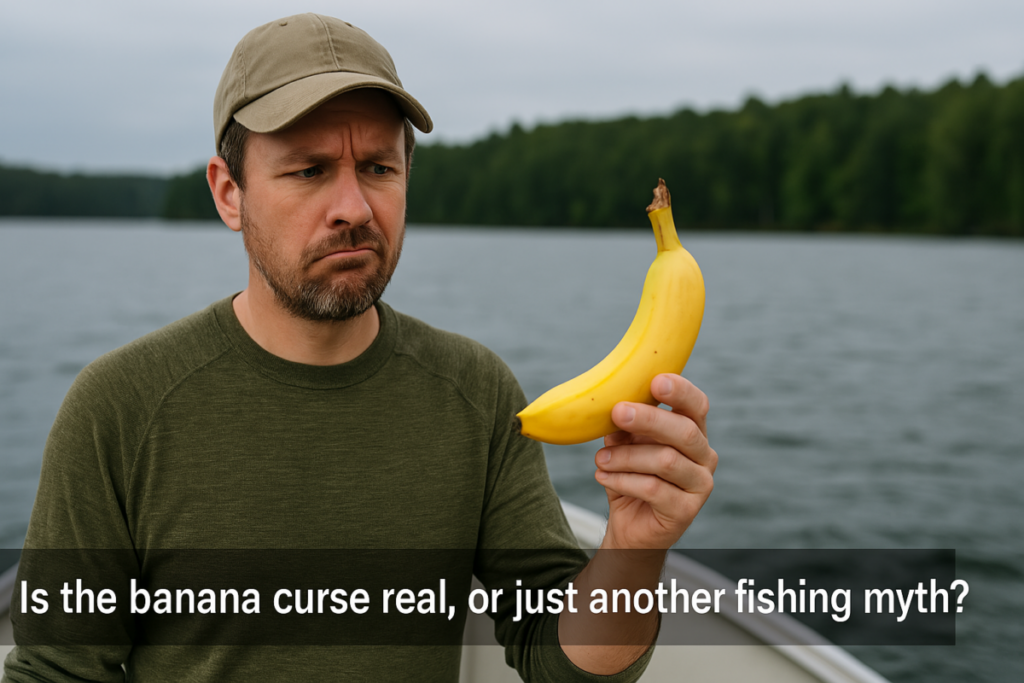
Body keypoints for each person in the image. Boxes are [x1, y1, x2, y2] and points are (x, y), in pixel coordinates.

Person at [3, 13, 716, 683]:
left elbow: (559, 658)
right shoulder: (120, 406)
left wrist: (634, 546)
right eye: (308, 170)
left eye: (378, 167)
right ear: (229, 194)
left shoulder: (476, 393)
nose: (354, 207)